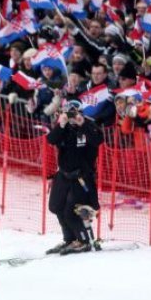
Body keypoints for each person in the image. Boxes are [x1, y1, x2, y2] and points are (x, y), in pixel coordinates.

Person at [45, 100, 104, 255]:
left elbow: (98, 140)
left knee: (72, 211)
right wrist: (62, 123)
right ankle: (70, 239)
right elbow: (51, 139)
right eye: (69, 113)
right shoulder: (64, 129)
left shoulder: (89, 126)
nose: (72, 116)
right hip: (63, 175)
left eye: (75, 112)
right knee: (56, 206)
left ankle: (84, 240)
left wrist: (82, 123)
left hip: (82, 177)